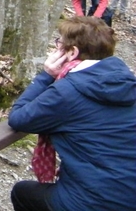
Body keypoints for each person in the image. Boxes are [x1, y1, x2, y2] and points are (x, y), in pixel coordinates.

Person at [8, 16, 136, 211]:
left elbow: (18, 118)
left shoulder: (67, 91)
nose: (56, 47)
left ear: (72, 52)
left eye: (59, 43)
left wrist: (46, 76)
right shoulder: (127, 82)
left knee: (22, 192)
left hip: (94, 201)